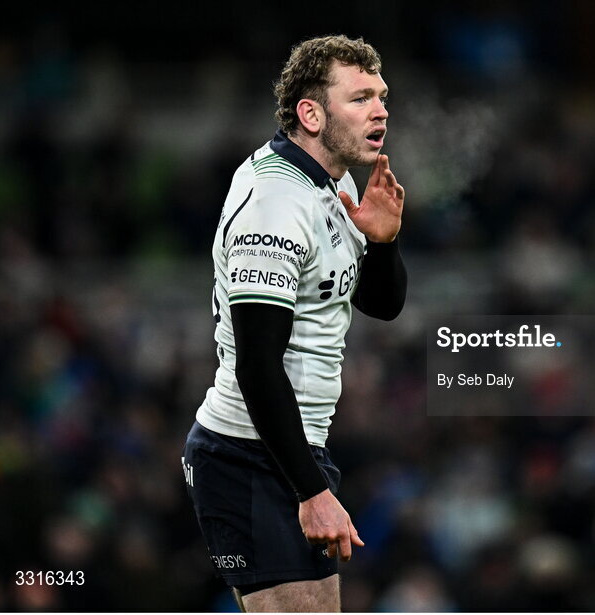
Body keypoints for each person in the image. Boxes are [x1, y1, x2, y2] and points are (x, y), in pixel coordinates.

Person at [181, 35, 406, 612]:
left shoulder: (332, 180)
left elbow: (381, 304)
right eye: (360, 98)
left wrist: (381, 242)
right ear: (312, 113)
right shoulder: (275, 203)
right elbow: (258, 365)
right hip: (246, 455)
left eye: (381, 96)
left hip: (290, 446)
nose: (380, 109)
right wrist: (311, 491)